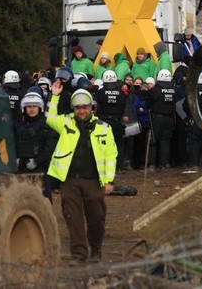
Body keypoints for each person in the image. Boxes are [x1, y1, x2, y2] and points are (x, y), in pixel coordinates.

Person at [46, 84, 117, 263]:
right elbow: (49, 117)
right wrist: (54, 96)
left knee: (96, 217)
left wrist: (109, 180)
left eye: (85, 107)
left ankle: (96, 248)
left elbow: (111, 155)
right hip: (69, 180)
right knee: (73, 218)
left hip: (94, 180)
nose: (81, 111)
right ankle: (78, 255)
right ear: (73, 108)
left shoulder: (103, 128)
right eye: (78, 108)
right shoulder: (66, 122)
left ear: (91, 107)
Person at [15, 91, 58, 202]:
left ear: (40, 108)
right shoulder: (19, 125)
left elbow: (50, 148)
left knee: (43, 200)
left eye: (35, 106)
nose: (32, 109)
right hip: (21, 168)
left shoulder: (46, 125)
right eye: (28, 106)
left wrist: (37, 161)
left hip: (40, 168)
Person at [94, 70, 129, 172]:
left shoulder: (100, 92)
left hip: (103, 122)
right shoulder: (121, 93)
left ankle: (104, 166)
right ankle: (119, 167)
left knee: (103, 144)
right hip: (117, 122)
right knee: (119, 144)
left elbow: (97, 107)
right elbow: (124, 106)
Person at [184, 71, 202, 169]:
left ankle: (194, 164)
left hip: (196, 119)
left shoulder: (193, 91)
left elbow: (186, 105)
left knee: (194, 142)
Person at [147, 69, 176, 169]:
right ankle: (163, 164)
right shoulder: (173, 89)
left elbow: (148, 102)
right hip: (169, 118)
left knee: (153, 141)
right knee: (165, 141)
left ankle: (152, 164)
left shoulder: (155, 90)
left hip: (157, 118)